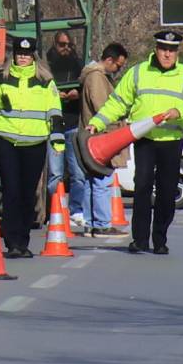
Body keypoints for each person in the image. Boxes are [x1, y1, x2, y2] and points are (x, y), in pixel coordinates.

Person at [87, 29, 183, 254]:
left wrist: (180, 111)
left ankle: (160, 239)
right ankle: (140, 239)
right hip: (144, 139)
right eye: (163, 49)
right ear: (156, 49)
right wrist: (98, 122)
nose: (167, 55)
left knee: (166, 191)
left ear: (177, 53)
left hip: (172, 140)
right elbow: (118, 102)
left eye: (172, 50)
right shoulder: (138, 72)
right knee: (142, 186)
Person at [0, 37, 63, 256]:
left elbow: (54, 112)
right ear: (13, 56)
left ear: (33, 57)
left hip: (35, 143)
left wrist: (57, 141)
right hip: (6, 141)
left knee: (27, 192)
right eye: (19, 54)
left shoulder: (45, 81)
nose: (22, 58)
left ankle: (24, 241)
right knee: (11, 189)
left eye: (27, 54)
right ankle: (12, 242)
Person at [70, 42, 129, 236]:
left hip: (94, 137)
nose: (119, 69)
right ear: (109, 60)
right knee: (102, 180)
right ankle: (101, 223)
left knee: (93, 180)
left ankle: (92, 222)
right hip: (100, 138)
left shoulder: (96, 76)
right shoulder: (97, 78)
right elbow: (102, 107)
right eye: (118, 66)